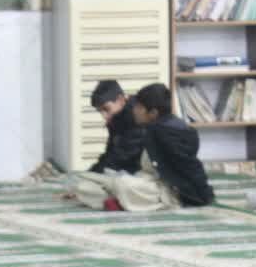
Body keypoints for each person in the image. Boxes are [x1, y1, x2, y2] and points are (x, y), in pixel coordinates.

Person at [73, 84, 213, 211]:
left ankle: (123, 201)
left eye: (139, 107)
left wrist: (202, 194)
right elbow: (114, 156)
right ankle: (122, 201)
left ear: (153, 113)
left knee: (123, 183)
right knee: (84, 185)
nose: (134, 110)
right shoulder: (149, 126)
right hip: (143, 179)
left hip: (166, 190)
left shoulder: (170, 132)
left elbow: (189, 165)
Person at [87, 80, 145, 175]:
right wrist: (91, 173)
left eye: (106, 109)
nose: (104, 116)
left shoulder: (137, 116)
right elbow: (111, 152)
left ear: (120, 100)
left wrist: (94, 173)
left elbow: (122, 156)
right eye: (100, 111)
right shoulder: (117, 117)